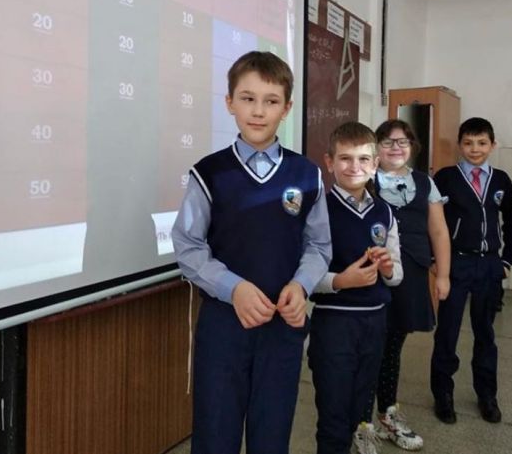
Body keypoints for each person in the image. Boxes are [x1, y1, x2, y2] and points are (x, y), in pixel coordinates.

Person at [172, 51, 332, 454]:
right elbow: (188, 246)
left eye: (271, 100)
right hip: (224, 326)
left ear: (287, 108)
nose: (258, 111)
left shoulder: (306, 174)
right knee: (215, 435)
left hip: (282, 325)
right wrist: (234, 288)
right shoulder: (209, 173)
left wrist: (302, 285)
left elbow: (318, 245)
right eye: (247, 98)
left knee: (272, 436)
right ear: (230, 103)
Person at [308, 121, 403, 454]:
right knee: (333, 415)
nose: (354, 167)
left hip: (375, 322)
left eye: (363, 159)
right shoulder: (317, 210)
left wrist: (388, 268)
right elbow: (303, 276)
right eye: (345, 158)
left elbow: (397, 275)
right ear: (329, 162)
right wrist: (340, 281)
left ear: (375, 164)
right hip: (335, 323)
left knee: (359, 410)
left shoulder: (385, 211)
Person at [362, 119, 451, 451]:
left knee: (393, 346)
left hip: (411, 273)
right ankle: (361, 422)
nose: (395, 148)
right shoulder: (365, 178)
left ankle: (387, 415)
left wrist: (443, 275)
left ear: (412, 146)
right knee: (368, 346)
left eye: (402, 142)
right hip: (371, 273)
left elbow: (439, 231)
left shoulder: (425, 183)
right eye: (387, 142)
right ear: (376, 148)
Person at [430, 117, 512, 424]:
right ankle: (443, 395)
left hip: (489, 266)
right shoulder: (446, 178)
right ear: (459, 145)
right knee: (448, 332)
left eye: (482, 143)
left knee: (485, 334)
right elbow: (432, 222)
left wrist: (507, 261)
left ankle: (487, 395)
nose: (475, 149)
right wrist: (434, 261)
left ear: (492, 145)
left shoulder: (501, 180)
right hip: (456, 264)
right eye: (468, 143)